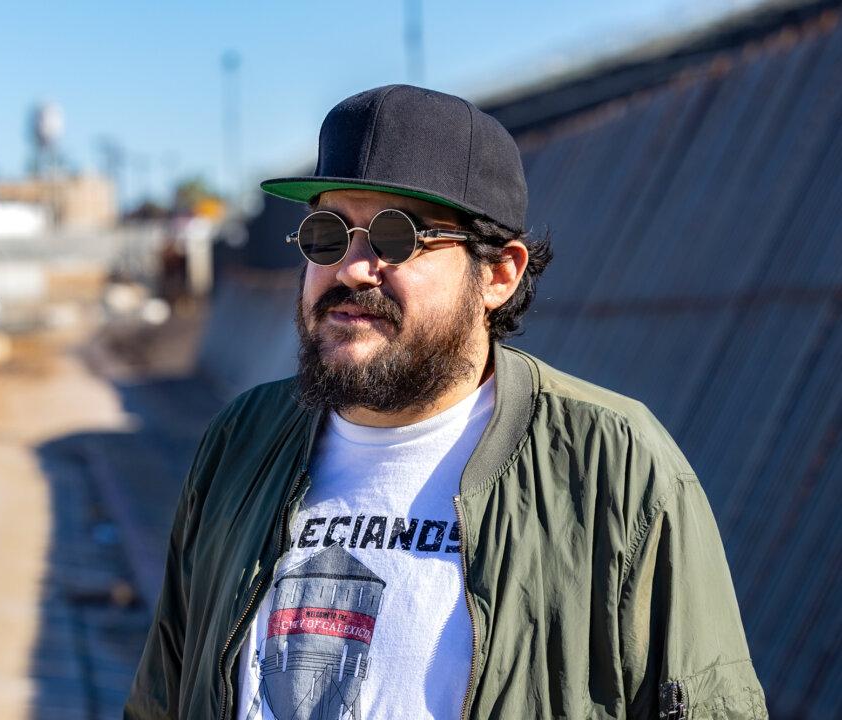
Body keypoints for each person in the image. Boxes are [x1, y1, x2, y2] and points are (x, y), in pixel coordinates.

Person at [124, 85, 766, 719]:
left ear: (499, 274)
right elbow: (163, 696)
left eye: (396, 237)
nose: (350, 268)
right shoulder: (242, 440)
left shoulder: (616, 468)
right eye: (327, 233)